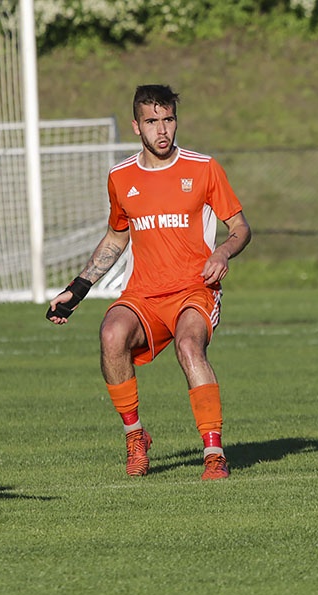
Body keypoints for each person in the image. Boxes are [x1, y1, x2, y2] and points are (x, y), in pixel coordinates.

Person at [46, 84, 251, 479]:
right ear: (136, 126)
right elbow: (117, 236)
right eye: (152, 121)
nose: (163, 130)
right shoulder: (121, 177)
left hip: (194, 289)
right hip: (143, 293)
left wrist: (222, 253)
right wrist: (78, 289)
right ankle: (136, 436)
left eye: (169, 120)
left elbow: (240, 227)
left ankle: (213, 454)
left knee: (190, 346)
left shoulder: (203, 168)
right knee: (111, 334)